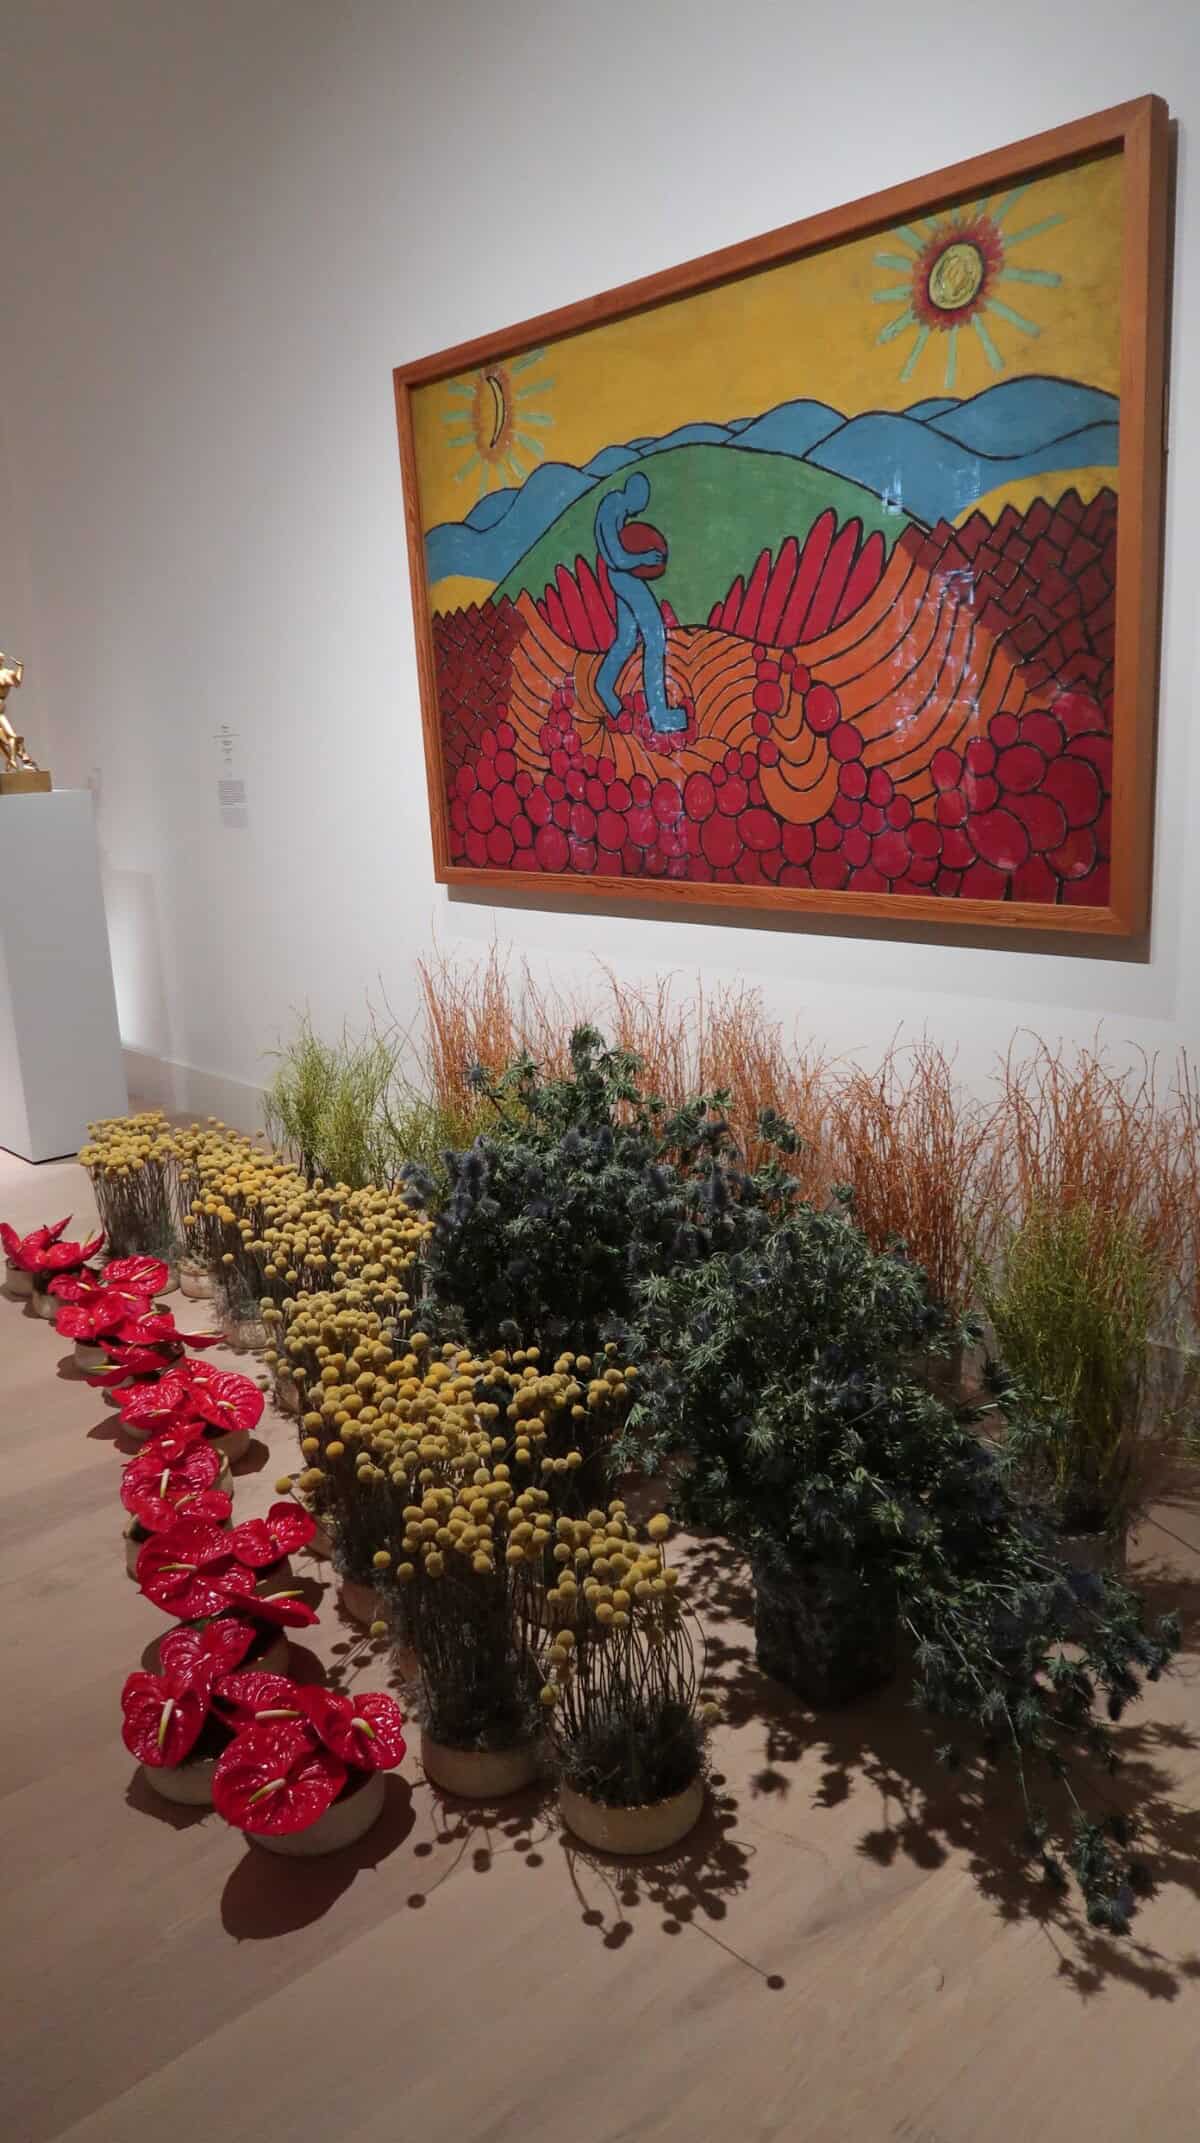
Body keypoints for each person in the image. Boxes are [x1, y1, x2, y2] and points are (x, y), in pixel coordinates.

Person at [593, 474, 686, 734]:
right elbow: (617, 558)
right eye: (642, 501)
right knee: (655, 636)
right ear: (634, 493)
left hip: (621, 576)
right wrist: (644, 558)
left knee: (626, 640)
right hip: (623, 577)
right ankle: (660, 716)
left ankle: (604, 687)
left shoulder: (617, 508)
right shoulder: (612, 507)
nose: (640, 510)